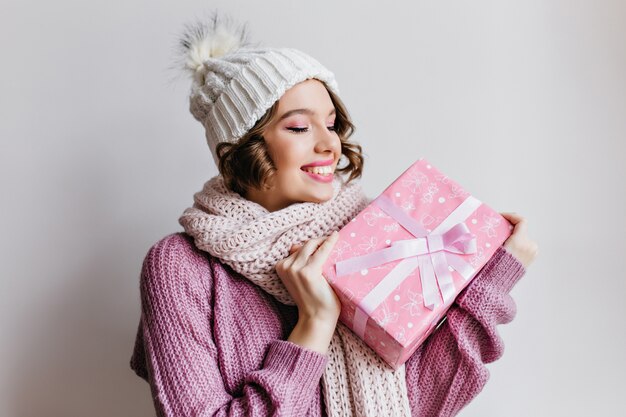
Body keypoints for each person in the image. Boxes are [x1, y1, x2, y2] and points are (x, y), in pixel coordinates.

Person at [129, 12, 538, 417]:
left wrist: (496, 273)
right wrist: (316, 323)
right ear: (242, 146)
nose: (331, 145)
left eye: (332, 124)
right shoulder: (181, 268)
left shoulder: (368, 240)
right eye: (298, 128)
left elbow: (423, 399)